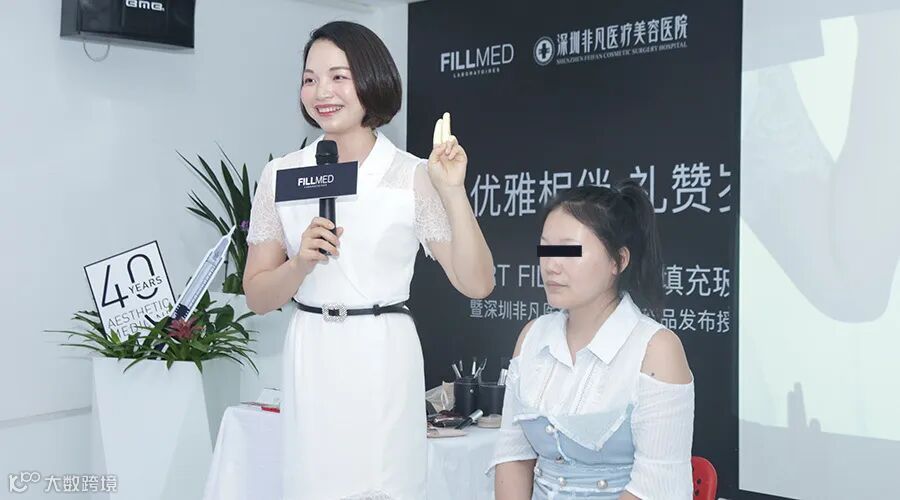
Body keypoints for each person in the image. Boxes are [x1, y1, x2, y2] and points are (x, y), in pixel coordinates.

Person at [242, 21, 495, 500]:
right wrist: (299, 265)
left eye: (339, 76)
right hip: (311, 353)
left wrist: (452, 191)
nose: (322, 91)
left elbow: (477, 282)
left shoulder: (411, 175)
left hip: (382, 354)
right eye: (310, 78)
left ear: (372, 80)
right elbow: (256, 294)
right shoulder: (280, 175)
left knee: (384, 484)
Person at [490, 182, 695, 499]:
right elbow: (513, 456)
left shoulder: (656, 349)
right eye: (546, 249)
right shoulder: (532, 336)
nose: (551, 265)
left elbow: (656, 487)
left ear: (618, 261)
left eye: (570, 251)